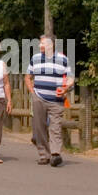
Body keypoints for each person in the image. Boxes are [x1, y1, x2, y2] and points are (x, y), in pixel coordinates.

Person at [26, 34, 73, 167]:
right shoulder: (35, 58)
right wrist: (32, 92)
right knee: (39, 127)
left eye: (43, 43)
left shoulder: (63, 59)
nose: (40, 45)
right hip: (39, 97)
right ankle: (43, 154)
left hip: (56, 99)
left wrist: (66, 89)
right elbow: (28, 77)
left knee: (55, 127)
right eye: (39, 43)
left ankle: (55, 154)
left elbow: (70, 78)